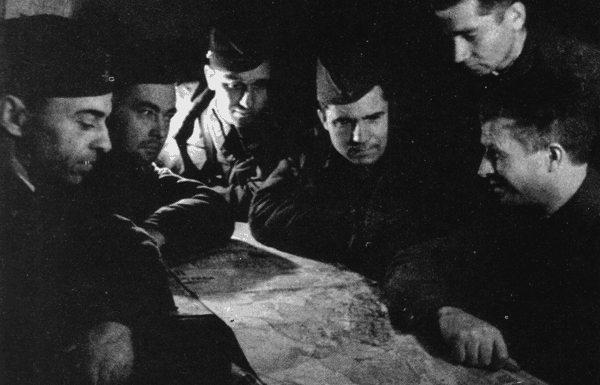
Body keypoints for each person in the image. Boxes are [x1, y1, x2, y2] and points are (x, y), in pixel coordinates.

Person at [0, 15, 258, 385]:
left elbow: (130, 245)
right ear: (14, 116)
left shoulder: (42, 187)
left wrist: (115, 319)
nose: (104, 142)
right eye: (86, 122)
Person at [384, 78, 600, 385]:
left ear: (553, 157)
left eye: (496, 154)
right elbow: (411, 263)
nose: (482, 169)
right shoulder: (517, 210)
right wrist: (448, 314)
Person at [249, 39, 444, 282]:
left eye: (372, 118)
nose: (359, 137)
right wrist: (353, 228)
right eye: (343, 122)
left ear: (389, 112)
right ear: (323, 120)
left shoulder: (420, 159)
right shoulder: (314, 153)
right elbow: (264, 214)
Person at [429, 0, 600, 160]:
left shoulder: (585, 74)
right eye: (449, 37)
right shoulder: (446, 80)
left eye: (470, 35)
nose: (458, 55)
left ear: (516, 17)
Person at [85, 46, 234, 262]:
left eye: (167, 116)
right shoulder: (78, 171)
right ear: (110, 110)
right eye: (147, 113)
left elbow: (215, 206)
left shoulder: (138, 171)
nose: (160, 132)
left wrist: (156, 229)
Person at [160, 22, 300, 221]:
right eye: (235, 85)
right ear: (210, 77)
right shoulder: (173, 124)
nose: (247, 101)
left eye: (259, 85)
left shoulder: (287, 126)